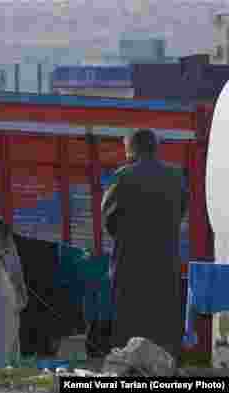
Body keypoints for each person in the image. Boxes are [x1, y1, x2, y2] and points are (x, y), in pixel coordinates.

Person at [101, 128, 188, 361]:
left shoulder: (123, 176)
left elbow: (108, 218)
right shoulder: (175, 177)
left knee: (129, 326)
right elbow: (180, 212)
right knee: (162, 325)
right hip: (165, 264)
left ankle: (131, 371)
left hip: (130, 265)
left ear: (132, 149)